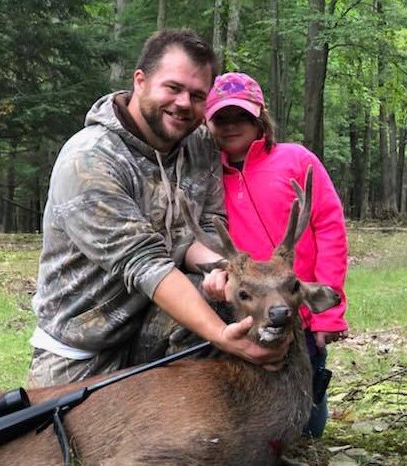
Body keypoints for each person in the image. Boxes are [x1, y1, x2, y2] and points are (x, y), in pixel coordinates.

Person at [27, 30, 288, 388]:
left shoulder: (199, 146)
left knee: (223, 299)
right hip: (85, 348)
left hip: (154, 324)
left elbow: (201, 232)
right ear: (140, 81)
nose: (184, 103)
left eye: (197, 96)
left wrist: (227, 275)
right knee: (70, 445)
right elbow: (145, 264)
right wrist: (222, 335)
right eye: (173, 88)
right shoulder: (89, 159)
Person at [204, 72, 349, 437]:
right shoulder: (207, 179)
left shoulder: (295, 159)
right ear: (208, 124)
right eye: (222, 118)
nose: (232, 125)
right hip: (247, 313)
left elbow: (330, 228)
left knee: (309, 421)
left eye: (242, 117)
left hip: (299, 307)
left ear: (260, 119)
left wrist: (328, 313)